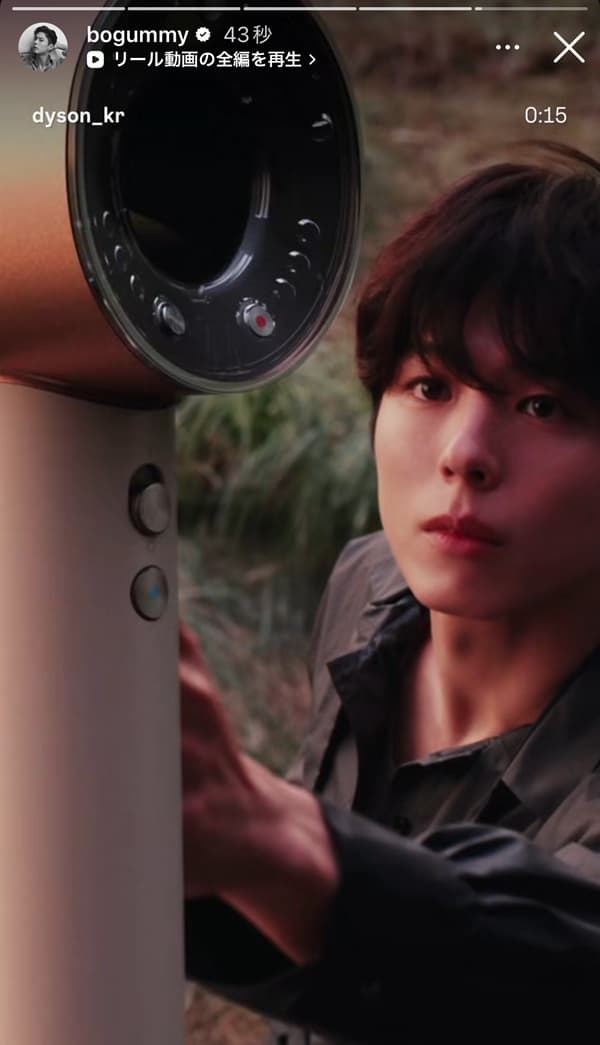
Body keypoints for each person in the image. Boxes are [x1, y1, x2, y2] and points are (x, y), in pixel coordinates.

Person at [179, 139, 600, 1044]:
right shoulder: (371, 586)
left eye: (542, 405)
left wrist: (264, 829)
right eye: (429, 385)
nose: (464, 453)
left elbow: (564, 971)